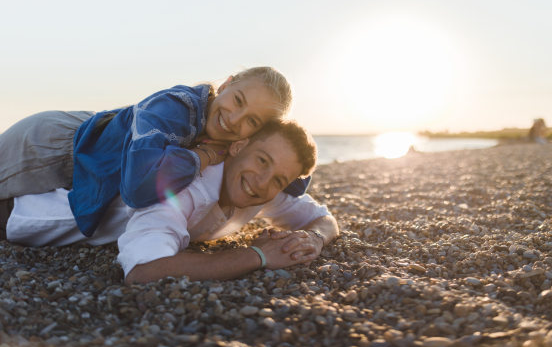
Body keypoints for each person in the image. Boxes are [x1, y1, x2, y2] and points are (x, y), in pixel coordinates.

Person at [2, 120, 339, 285]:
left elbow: (322, 217)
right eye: (262, 160)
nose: (263, 182)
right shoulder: (183, 185)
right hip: (20, 209)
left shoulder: (262, 189)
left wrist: (314, 237)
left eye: (279, 178)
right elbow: (144, 269)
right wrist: (261, 256)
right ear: (237, 146)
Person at [0, 66, 310, 238]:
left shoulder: (231, 136)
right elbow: (138, 188)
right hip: (49, 146)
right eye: (238, 101)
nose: (234, 120)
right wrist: (201, 157)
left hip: (85, 149)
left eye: (251, 121)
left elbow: (293, 172)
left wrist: (298, 176)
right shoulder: (174, 107)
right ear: (228, 83)